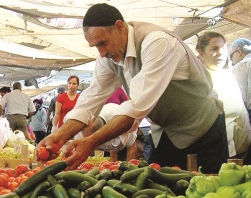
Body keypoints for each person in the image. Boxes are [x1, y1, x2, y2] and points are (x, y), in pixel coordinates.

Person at [38, 3, 227, 173]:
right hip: (165, 133)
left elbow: (135, 107)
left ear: (120, 27)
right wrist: (60, 135)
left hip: (202, 129)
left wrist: (90, 142)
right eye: (95, 46)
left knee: (206, 192)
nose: (102, 53)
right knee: (159, 193)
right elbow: (90, 99)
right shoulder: (108, 57)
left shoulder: (157, 42)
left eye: (103, 43)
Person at [197, 32, 251, 161]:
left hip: (240, 150)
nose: (221, 53)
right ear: (201, 52)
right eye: (214, 49)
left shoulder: (228, 75)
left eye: (224, 48)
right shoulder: (198, 80)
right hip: (214, 153)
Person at [231, 38, 251, 119]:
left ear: (238, 51)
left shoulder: (240, 66)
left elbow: (242, 100)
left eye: (231, 56)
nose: (231, 62)